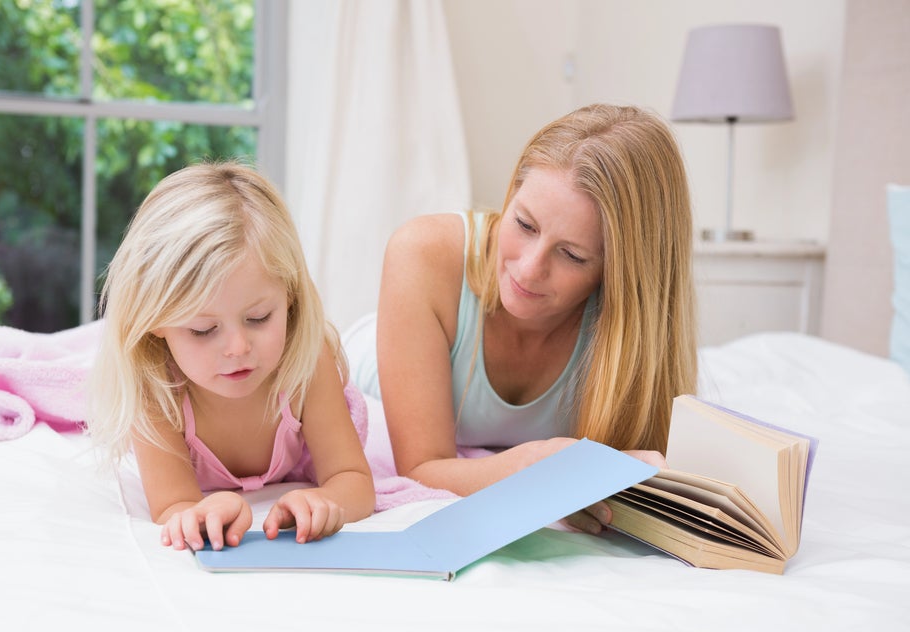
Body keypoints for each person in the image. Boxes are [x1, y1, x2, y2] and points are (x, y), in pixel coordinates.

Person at [346, 103, 697, 534]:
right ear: (510, 194)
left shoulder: (625, 330)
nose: (529, 270)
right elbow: (420, 468)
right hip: (373, 370)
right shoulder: (423, 253)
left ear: (619, 274)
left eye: (572, 254)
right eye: (524, 224)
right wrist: (532, 466)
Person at [88, 161, 375, 552]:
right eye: (203, 330)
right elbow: (173, 504)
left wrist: (325, 501)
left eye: (258, 318)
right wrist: (208, 510)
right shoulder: (154, 386)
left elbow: (353, 479)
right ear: (154, 320)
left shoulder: (306, 361)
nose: (238, 347)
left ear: (290, 296)